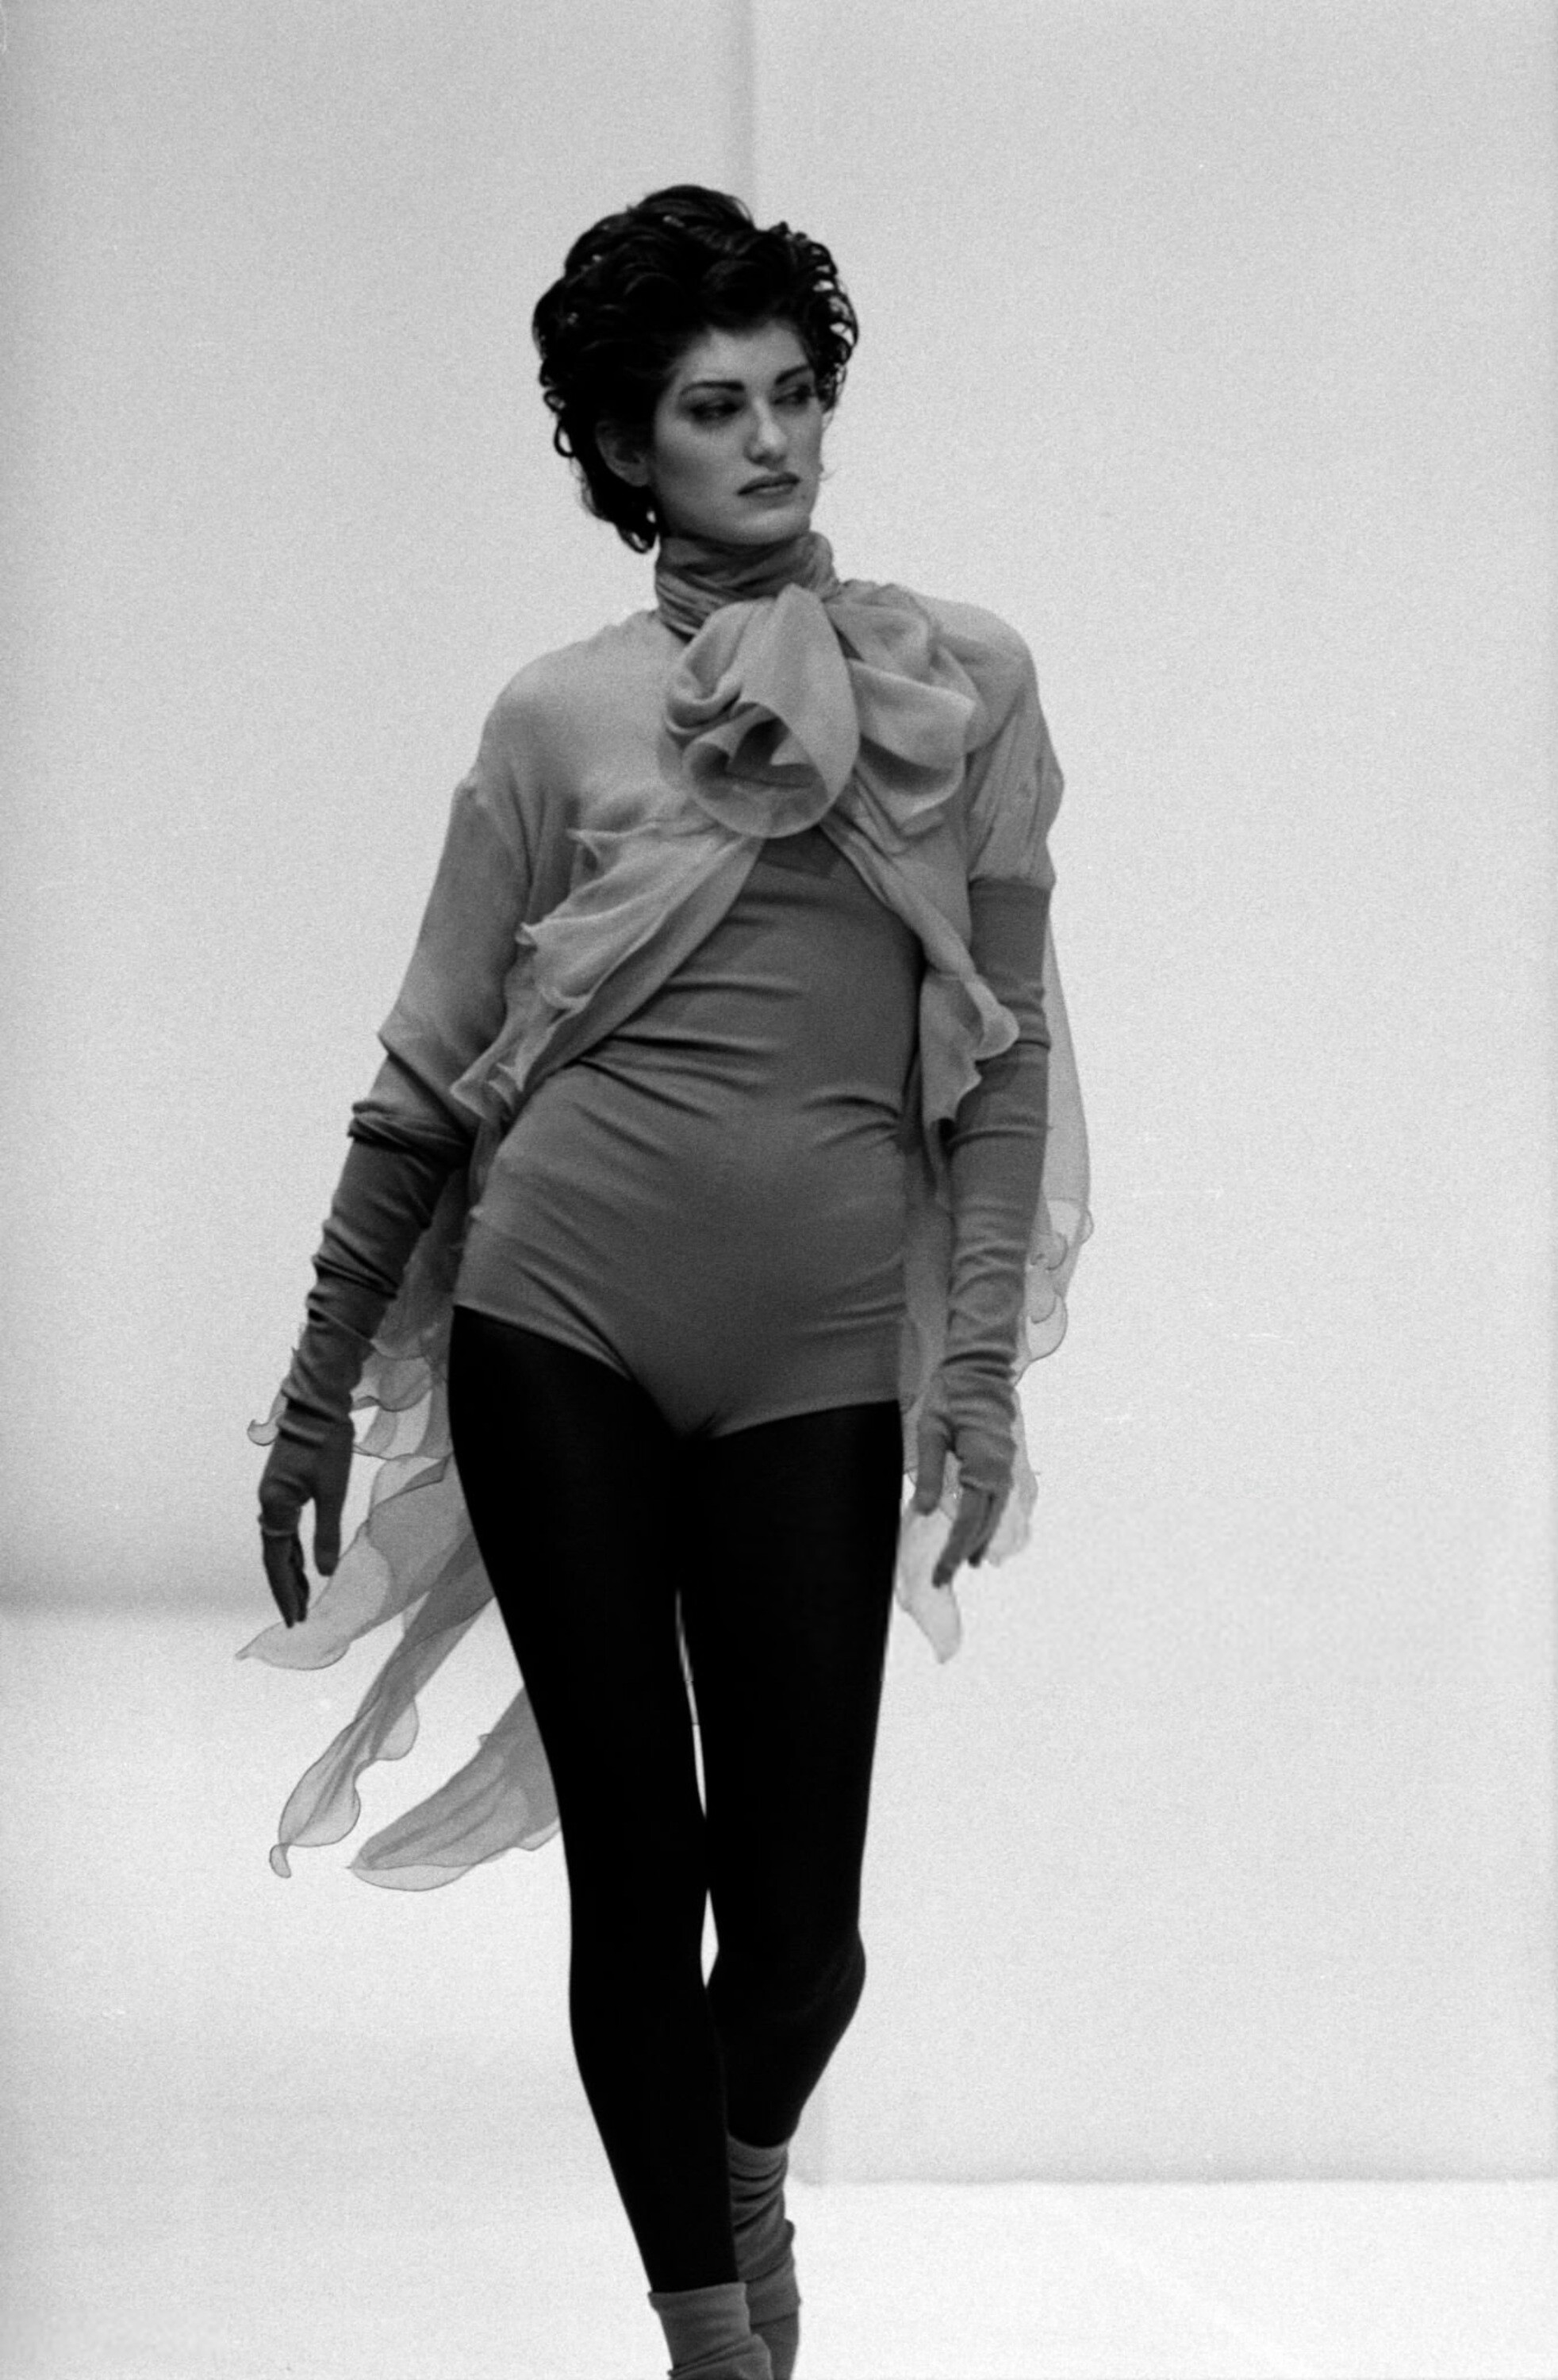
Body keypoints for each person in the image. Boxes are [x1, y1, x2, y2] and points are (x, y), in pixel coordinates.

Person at [246, 186, 1088, 2380]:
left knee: (801, 1941)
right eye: (715, 408)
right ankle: (713, 2335)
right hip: (560, 1324)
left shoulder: (962, 688)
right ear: (627, 449)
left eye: (794, 394)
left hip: (813, 1346)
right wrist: (321, 1382)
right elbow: (428, 1070)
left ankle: (737, 2170)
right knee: (643, 1867)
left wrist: (979, 1362)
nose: (772, 439)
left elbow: (1005, 1060)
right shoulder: (556, 719)